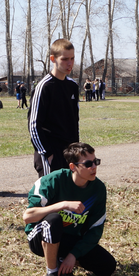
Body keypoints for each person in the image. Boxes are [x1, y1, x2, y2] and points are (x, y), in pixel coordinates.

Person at [24, 142, 116, 276]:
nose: (93, 167)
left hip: (69, 240)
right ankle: (51, 275)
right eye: (88, 164)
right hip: (40, 237)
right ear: (73, 167)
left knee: (107, 267)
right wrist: (63, 205)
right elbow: (28, 217)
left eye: (96, 162)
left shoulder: (98, 189)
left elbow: (95, 229)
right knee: (53, 220)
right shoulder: (53, 181)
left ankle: (61, 260)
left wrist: (73, 255)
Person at [28, 38, 79, 177]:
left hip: (69, 153)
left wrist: (76, 149)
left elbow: (74, 121)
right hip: (50, 152)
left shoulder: (72, 86)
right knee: (50, 197)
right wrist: (47, 153)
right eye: (65, 59)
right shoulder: (44, 87)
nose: (70, 63)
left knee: (68, 195)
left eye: (72, 58)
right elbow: (34, 125)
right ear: (53, 59)